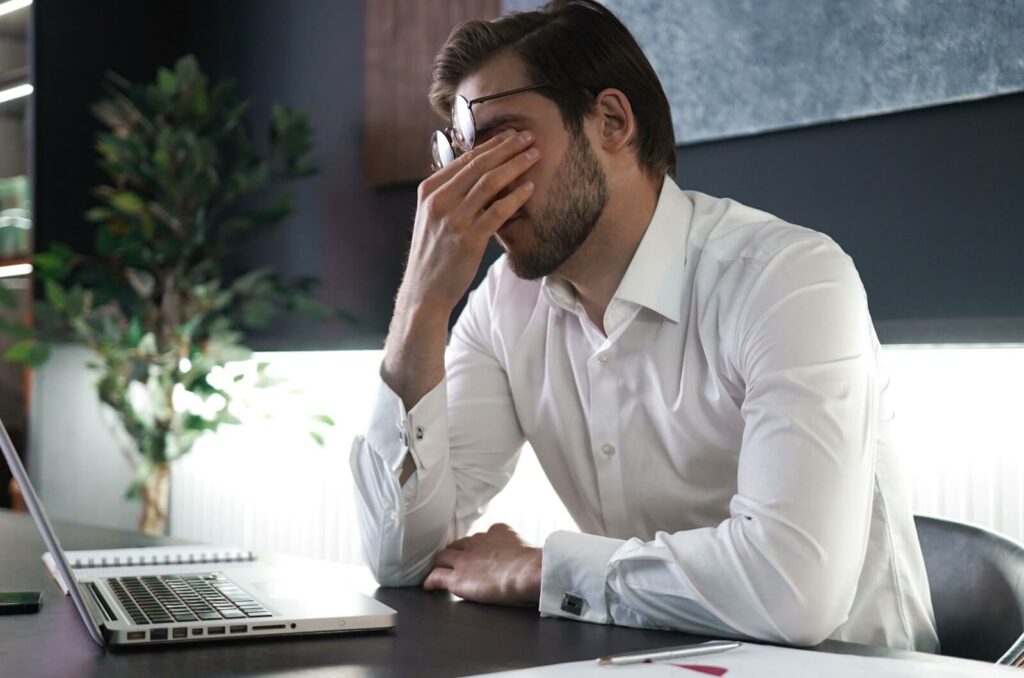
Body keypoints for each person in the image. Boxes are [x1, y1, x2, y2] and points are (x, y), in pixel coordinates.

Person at [350, 0, 939, 651]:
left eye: (497, 140)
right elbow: (403, 561)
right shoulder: (503, 306)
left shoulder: (790, 279)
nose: (469, 181)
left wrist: (548, 571)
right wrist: (420, 307)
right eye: (458, 150)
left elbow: (793, 592)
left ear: (610, 121)